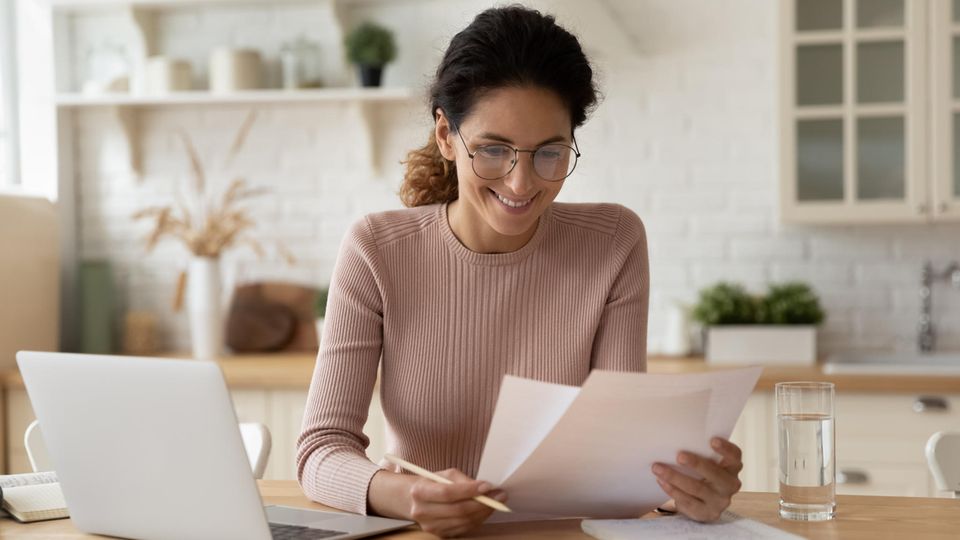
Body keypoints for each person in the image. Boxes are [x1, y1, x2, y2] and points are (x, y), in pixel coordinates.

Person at [297, 5, 742, 537]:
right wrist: (405, 497)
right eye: (493, 150)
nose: (521, 183)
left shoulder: (613, 243)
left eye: (549, 153)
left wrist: (683, 493)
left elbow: (620, 457)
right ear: (445, 135)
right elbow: (321, 450)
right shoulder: (377, 249)